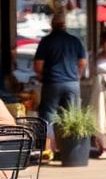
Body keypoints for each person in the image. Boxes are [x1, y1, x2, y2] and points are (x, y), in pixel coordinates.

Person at [33, 12, 88, 157]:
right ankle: (70, 149)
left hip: (52, 83)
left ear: (52, 25)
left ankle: (49, 149)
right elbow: (83, 62)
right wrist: (77, 75)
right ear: (65, 25)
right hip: (72, 83)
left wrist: (41, 76)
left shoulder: (46, 41)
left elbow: (38, 65)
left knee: (48, 115)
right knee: (71, 116)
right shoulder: (74, 40)